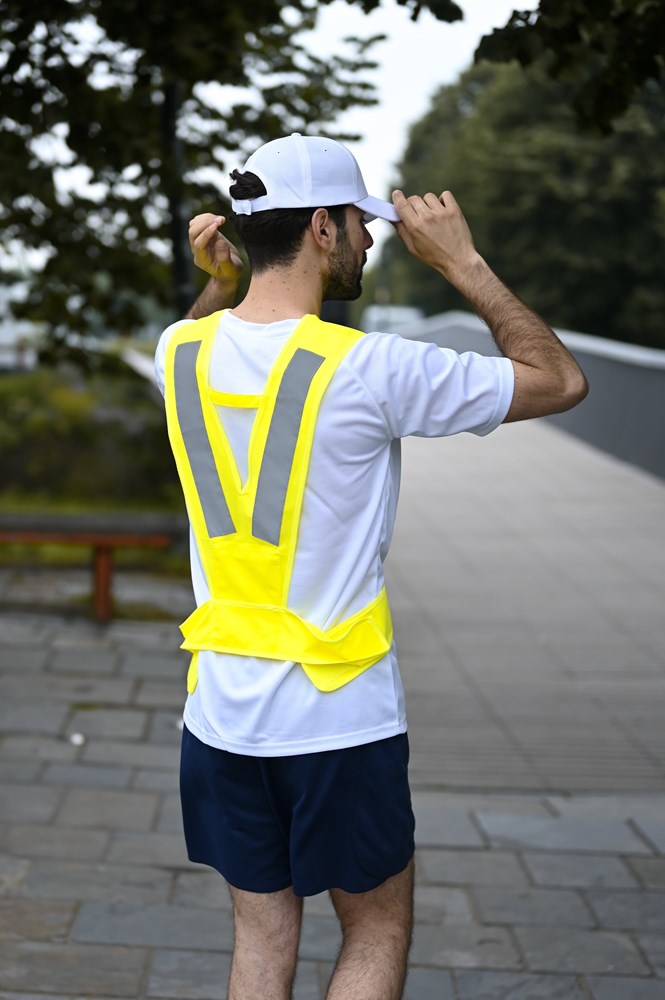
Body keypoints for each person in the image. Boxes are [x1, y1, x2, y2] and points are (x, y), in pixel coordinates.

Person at [154, 132, 588, 1000]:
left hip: (220, 716)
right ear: (321, 227)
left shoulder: (180, 351)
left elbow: (200, 330)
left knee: (260, 938)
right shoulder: (371, 366)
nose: (368, 239)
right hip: (338, 719)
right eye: (360, 223)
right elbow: (558, 379)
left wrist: (220, 284)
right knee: (376, 929)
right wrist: (462, 263)